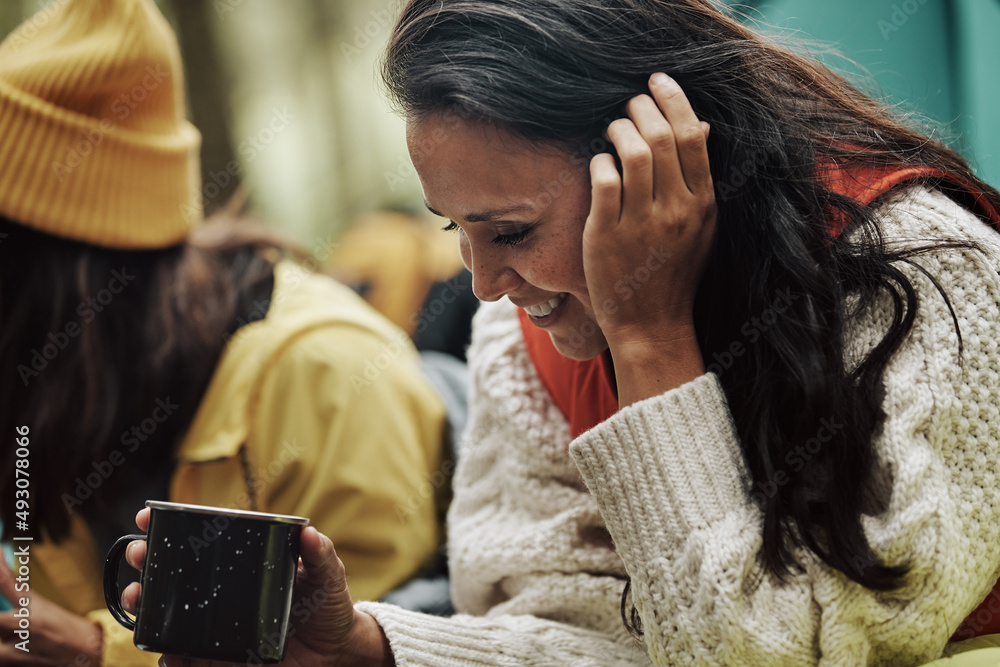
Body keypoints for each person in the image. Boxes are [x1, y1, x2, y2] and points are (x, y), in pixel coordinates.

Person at [132, 0, 1000, 665]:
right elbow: (599, 641)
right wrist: (373, 646)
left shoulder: (925, 270)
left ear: (656, 156)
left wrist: (651, 337)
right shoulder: (521, 342)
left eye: (509, 231)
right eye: (453, 229)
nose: (483, 284)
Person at [0, 1, 446, 665]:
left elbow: (356, 646)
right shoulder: (47, 380)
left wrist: (101, 650)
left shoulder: (325, 371)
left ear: (56, 266)